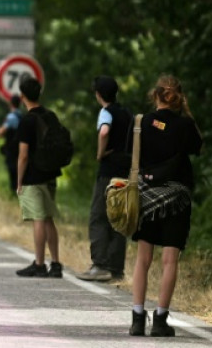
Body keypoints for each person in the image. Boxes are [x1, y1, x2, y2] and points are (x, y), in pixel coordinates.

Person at [129, 75, 201, 337]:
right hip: (177, 198)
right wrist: (187, 113)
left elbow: (132, 155)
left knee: (143, 258)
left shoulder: (141, 122)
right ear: (178, 97)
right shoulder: (185, 125)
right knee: (170, 260)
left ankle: (137, 319)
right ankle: (160, 320)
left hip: (147, 197)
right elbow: (197, 146)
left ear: (155, 95)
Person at [77, 76, 132, 283]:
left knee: (99, 216)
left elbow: (104, 132)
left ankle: (99, 265)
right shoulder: (127, 113)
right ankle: (116, 268)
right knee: (119, 219)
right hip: (126, 171)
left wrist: (100, 153)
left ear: (98, 95)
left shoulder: (105, 112)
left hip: (108, 171)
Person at [14, 77, 63, 278]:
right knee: (48, 218)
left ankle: (40, 264)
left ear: (22, 96)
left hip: (33, 177)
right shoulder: (51, 116)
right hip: (51, 174)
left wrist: (19, 181)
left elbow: (23, 155)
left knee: (38, 218)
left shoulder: (27, 121)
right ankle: (57, 264)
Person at [0, 95, 24, 192]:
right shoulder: (22, 116)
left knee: (12, 169)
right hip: (22, 147)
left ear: (10, 104)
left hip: (12, 148)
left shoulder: (11, 117)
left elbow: (1, 132)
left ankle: (14, 190)